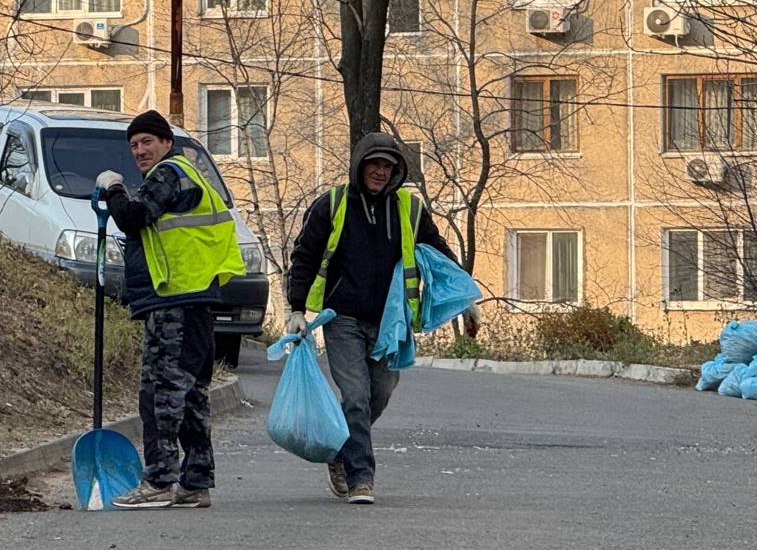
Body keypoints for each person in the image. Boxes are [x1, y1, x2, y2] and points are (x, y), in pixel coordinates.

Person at [284, 132, 480, 505]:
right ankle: (361, 479)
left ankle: (341, 453)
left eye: (387, 166)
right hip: (342, 317)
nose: (379, 171)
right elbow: (305, 257)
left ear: (396, 172)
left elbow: (439, 253)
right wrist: (296, 310)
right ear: (360, 166)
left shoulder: (409, 208)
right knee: (355, 396)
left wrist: (466, 297)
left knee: (382, 393)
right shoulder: (332, 205)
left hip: (392, 322)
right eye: (373, 164)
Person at [93, 110, 246, 509]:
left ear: (165, 143)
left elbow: (134, 217)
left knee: (160, 394)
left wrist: (114, 189)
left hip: (175, 301)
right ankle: (195, 483)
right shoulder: (191, 176)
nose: (140, 151)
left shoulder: (167, 174)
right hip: (196, 298)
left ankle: (159, 482)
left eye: (147, 142)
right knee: (192, 395)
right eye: (134, 145)